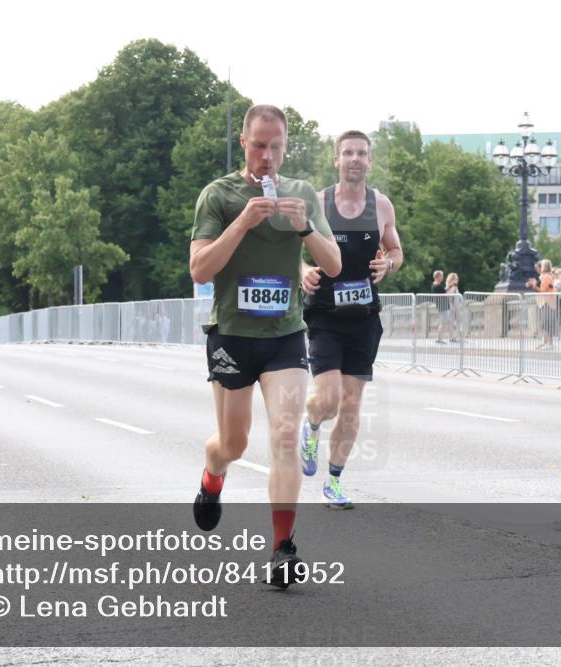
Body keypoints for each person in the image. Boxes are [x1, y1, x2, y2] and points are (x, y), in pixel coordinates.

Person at [189, 105, 341, 587]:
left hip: (285, 337)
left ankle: (282, 548)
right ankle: (212, 476)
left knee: (283, 437)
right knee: (233, 443)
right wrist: (241, 224)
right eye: (259, 146)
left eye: (276, 147)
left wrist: (305, 229)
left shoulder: (300, 195)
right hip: (233, 335)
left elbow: (334, 265)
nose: (267, 156)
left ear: (286, 146)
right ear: (244, 142)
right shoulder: (219, 194)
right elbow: (199, 270)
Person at [299, 129, 402, 510]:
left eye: (362, 153)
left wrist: (388, 263)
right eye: (348, 153)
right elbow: (289, 249)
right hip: (325, 313)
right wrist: (301, 270)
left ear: (369, 161)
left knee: (352, 405)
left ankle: (333, 483)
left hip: (364, 317)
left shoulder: (382, 205)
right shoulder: (319, 202)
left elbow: (395, 247)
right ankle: (310, 429)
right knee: (326, 400)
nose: (355, 159)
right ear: (336, 160)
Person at [526, 258, 556, 349]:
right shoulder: (545, 276)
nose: (536, 268)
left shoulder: (546, 277)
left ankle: (549, 344)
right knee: (545, 323)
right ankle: (545, 342)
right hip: (544, 302)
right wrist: (533, 284)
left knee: (546, 323)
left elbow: (543, 290)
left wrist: (534, 285)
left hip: (547, 302)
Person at [431, 270, 450, 343]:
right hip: (443, 305)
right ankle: (439, 339)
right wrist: (450, 287)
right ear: (438, 277)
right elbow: (445, 292)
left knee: (443, 322)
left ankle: (440, 338)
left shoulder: (435, 285)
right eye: (441, 276)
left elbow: (444, 291)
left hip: (442, 305)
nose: (442, 278)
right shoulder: (437, 285)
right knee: (443, 322)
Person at [445, 272, 461, 342]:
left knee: (458, 322)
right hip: (451, 307)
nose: (456, 280)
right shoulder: (448, 287)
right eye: (455, 279)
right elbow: (448, 295)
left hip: (457, 307)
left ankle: (456, 336)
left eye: (457, 279)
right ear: (451, 280)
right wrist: (452, 287)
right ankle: (451, 337)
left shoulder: (456, 287)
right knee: (451, 322)